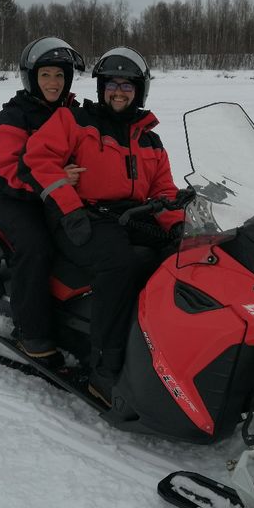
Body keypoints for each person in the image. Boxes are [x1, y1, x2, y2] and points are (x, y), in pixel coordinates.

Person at [19, 46, 184, 405]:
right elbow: (38, 160)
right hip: (79, 215)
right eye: (111, 84)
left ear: (139, 91)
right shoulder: (74, 121)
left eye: (127, 85)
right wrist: (69, 208)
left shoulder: (150, 139)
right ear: (101, 88)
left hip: (130, 217)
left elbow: (164, 189)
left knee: (180, 261)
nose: (119, 91)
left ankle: (167, 349)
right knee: (120, 262)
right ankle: (105, 369)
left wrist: (176, 227)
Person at [0, 36, 86, 366]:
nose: (54, 83)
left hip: (62, 194)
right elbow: (10, 170)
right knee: (37, 246)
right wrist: (56, 177)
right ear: (32, 78)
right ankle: (32, 331)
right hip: (16, 199)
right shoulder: (11, 120)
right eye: (46, 75)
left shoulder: (75, 114)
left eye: (59, 75)